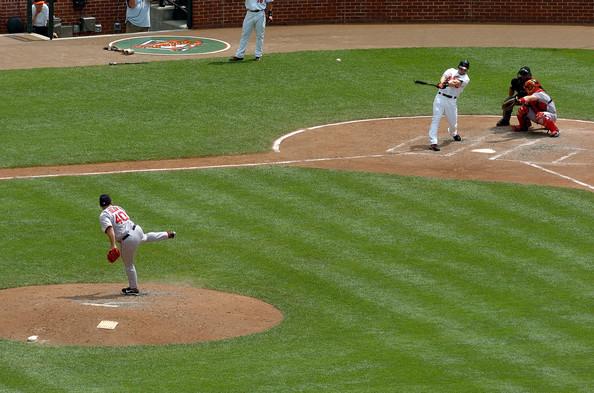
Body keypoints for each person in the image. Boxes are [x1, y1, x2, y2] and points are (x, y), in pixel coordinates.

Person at [98, 194, 175, 296]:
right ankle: (167, 234)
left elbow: (110, 230)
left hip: (128, 239)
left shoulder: (104, 215)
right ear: (111, 202)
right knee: (145, 237)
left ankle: (133, 288)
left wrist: (113, 245)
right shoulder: (118, 207)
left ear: (100, 205)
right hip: (137, 230)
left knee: (128, 264)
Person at [427, 60, 471, 151]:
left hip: (451, 101)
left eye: (464, 69)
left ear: (467, 70)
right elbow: (444, 77)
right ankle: (433, 142)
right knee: (436, 119)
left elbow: (455, 83)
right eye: (461, 68)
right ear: (458, 67)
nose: (462, 70)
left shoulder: (466, 79)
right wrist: (441, 83)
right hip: (440, 98)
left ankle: (453, 133)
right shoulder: (450, 70)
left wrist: (445, 84)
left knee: (453, 123)